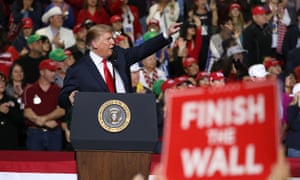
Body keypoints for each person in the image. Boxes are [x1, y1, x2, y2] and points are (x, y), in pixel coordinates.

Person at [59, 23, 181, 109]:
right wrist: (70, 97)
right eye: (108, 39)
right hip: (97, 127)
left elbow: (142, 50)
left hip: (126, 120)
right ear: (95, 44)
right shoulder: (78, 70)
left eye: (112, 38)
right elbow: (62, 99)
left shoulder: (119, 55)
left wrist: (166, 34)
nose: (113, 42)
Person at [23, 59, 65, 151]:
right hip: (35, 133)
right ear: (42, 72)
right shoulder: (30, 89)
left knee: (55, 163)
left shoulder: (58, 90)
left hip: (54, 133)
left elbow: (61, 110)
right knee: (33, 163)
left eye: (55, 71)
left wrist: (44, 119)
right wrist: (44, 123)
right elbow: (27, 112)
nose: (54, 73)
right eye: (51, 71)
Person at [0, 72, 23, 150]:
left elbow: (21, 120)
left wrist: (9, 112)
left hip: (10, 143)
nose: (2, 83)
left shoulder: (11, 100)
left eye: (3, 81)